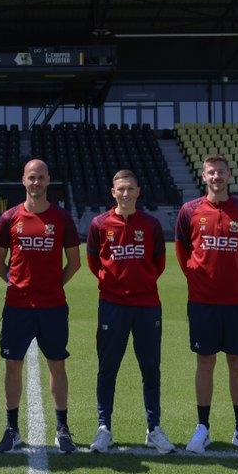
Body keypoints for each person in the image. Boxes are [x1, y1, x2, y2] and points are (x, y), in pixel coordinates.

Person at [175, 153, 238, 455]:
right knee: (205, 362)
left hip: (237, 301)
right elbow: (182, 251)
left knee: (237, 363)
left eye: (221, 172)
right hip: (202, 301)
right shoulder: (190, 211)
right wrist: (197, 277)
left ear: (229, 175)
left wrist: (237, 278)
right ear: (204, 176)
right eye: (211, 172)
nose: (216, 177)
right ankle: (202, 428)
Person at [0, 159, 81, 453]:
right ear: (23, 180)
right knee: (12, 365)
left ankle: (62, 428)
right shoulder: (9, 218)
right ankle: (12, 428)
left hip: (52, 306)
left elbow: (74, 262)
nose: (36, 182)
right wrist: (17, 283)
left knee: (57, 364)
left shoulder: (62, 218)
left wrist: (54, 285)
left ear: (48, 180)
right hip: (18, 306)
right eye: (31, 177)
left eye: (41, 177)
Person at [86, 169, 175, 454]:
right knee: (107, 368)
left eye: (130, 189)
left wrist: (141, 283)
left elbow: (158, 263)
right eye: (120, 189)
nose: (125, 193)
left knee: (150, 368)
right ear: (113, 193)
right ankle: (104, 428)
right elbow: (94, 261)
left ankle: (154, 429)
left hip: (147, 305)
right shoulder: (99, 224)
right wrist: (113, 284)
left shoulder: (151, 225)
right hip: (112, 305)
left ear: (138, 192)